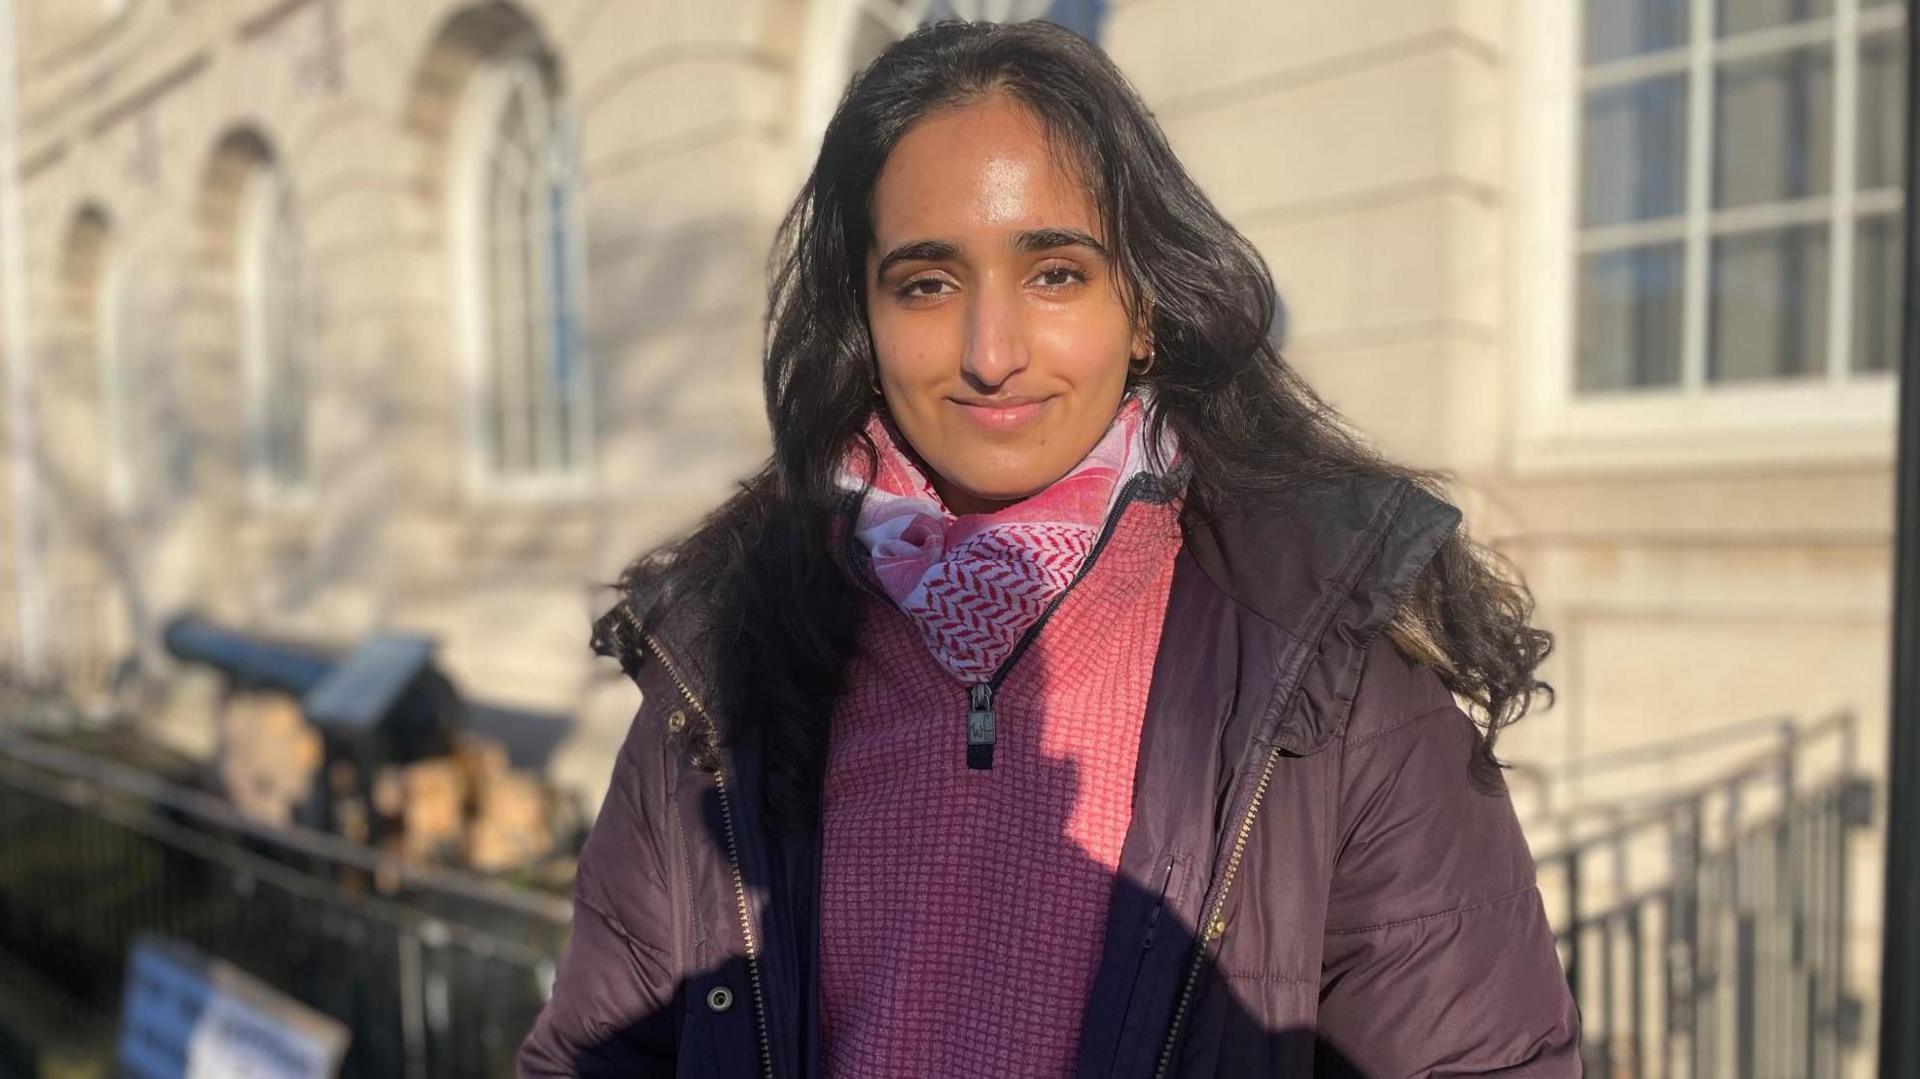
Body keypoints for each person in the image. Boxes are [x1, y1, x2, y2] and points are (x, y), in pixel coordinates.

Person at [521, 18, 1579, 1079]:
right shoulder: (719, 669)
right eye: (927, 283)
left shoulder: (1326, 667)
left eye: (1056, 274)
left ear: (1146, 303)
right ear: (866, 320)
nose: (991, 353)